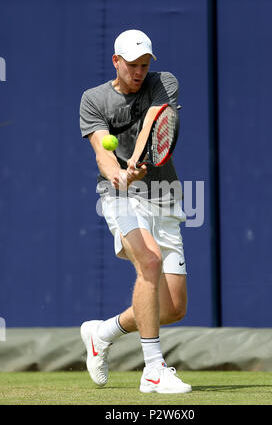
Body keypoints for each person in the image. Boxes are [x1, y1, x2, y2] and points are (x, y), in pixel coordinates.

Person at [79, 29, 191, 394]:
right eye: (131, 65)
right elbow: (101, 150)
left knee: (173, 308)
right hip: (120, 195)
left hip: (163, 193)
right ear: (116, 61)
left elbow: (153, 124)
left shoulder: (163, 82)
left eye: (144, 64)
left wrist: (137, 162)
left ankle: (101, 334)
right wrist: (119, 174)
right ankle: (154, 370)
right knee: (150, 261)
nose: (139, 71)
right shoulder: (93, 99)